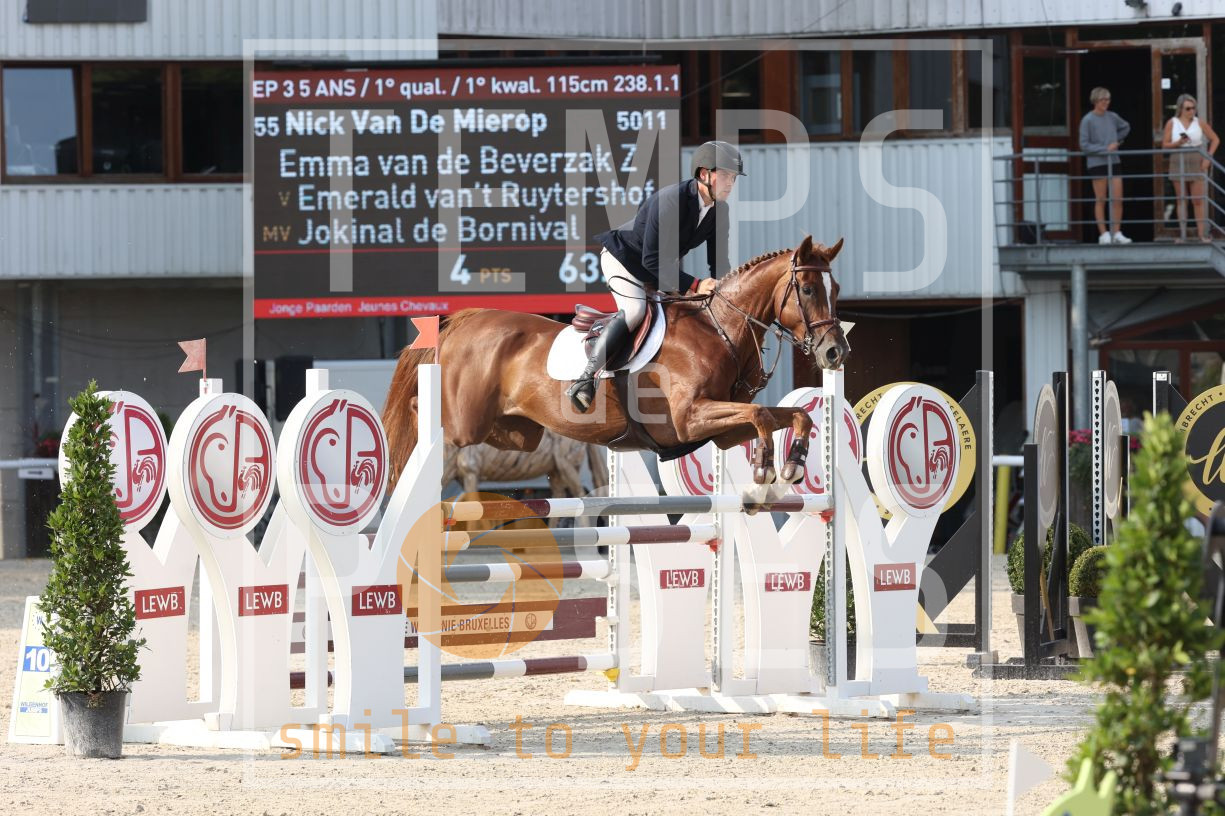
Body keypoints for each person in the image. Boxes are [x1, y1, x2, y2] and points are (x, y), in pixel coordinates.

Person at [564, 140, 744, 412]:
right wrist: (695, 284)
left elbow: (718, 261)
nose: (731, 183)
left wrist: (726, 290)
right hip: (624, 260)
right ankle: (585, 379)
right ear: (704, 174)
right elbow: (650, 259)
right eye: (726, 175)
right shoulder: (670, 201)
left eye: (734, 177)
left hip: (658, 269)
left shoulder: (720, 211)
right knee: (635, 311)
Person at [1161, 93, 1220, 242]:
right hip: (1178, 158)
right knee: (1181, 199)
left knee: (1198, 200)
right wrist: (1177, 143)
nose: (1191, 111)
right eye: (1188, 108)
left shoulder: (1199, 122)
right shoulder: (1172, 122)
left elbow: (1215, 139)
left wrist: (1208, 157)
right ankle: (1183, 235)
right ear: (1180, 108)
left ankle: (1201, 235)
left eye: (1193, 108)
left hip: (1196, 158)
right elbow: (1164, 145)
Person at [1079, 87, 1132, 244]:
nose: (1106, 103)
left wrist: (1117, 141)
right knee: (1101, 199)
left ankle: (1117, 232)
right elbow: (1084, 145)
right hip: (1097, 163)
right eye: (1103, 100)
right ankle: (1104, 234)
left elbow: (1126, 127)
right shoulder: (1087, 120)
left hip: (1114, 161)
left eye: (1107, 100)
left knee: (1117, 198)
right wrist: (1104, 149)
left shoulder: (1112, 116)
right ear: (1095, 101)